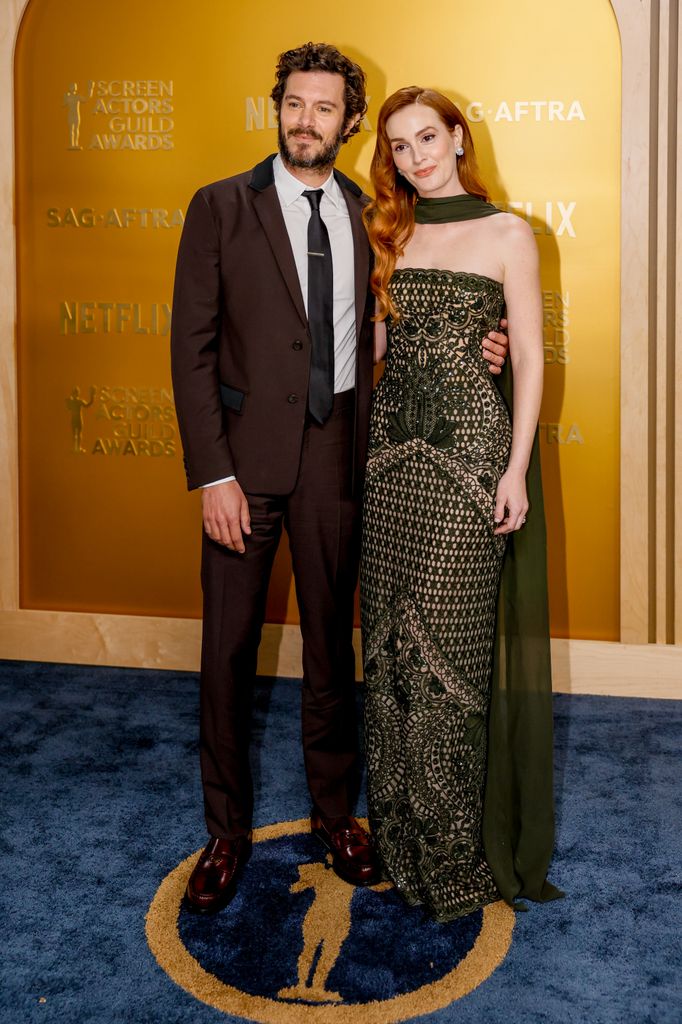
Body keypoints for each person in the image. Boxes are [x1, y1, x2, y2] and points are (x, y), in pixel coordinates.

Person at [170, 49, 509, 915]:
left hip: (339, 459)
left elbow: (420, 313)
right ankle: (225, 831)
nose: (306, 120)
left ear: (349, 123)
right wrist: (213, 473)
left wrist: (482, 347)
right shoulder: (218, 207)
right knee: (227, 652)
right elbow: (191, 351)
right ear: (275, 108)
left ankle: (333, 816)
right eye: (294, 103)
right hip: (241, 467)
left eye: (325, 108)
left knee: (331, 648)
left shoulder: (378, 217)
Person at [360, 87, 560, 921]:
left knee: (449, 664)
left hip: (469, 464)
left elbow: (532, 361)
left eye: (427, 137)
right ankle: (397, 839)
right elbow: (373, 351)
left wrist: (514, 470)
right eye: (400, 146)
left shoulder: (510, 231)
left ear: (457, 136)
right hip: (387, 467)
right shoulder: (388, 233)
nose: (416, 156)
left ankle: (450, 857)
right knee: (390, 659)